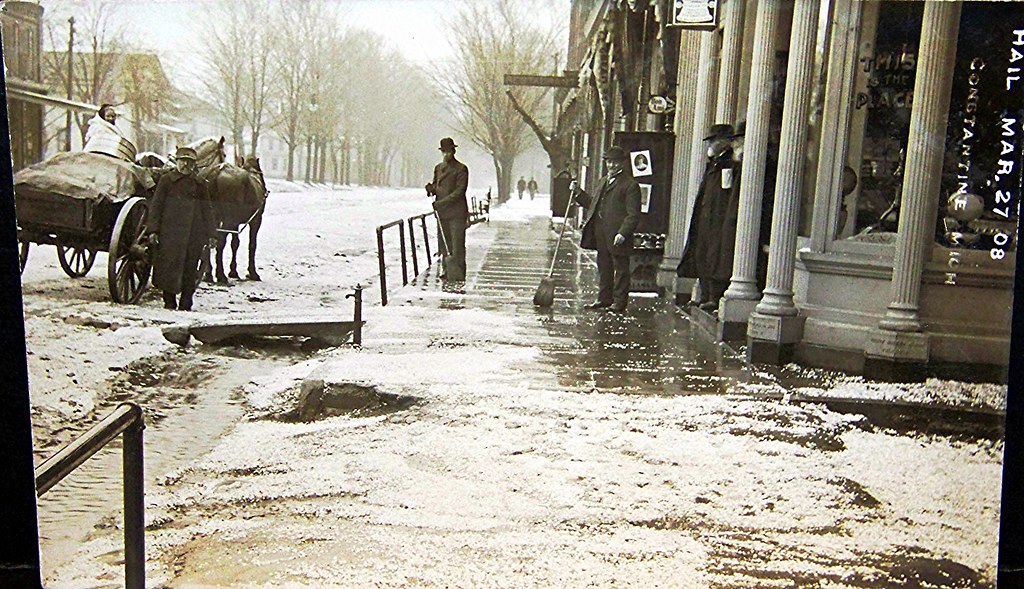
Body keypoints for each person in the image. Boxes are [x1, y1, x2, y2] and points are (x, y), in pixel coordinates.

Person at [569, 145, 642, 314]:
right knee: (604, 266)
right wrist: (578, 193)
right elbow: (592, 204)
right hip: (601, 231)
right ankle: (604, 299)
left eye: (615, 162)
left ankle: (619, 302)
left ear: (622, 163)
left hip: (617, 234)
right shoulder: (603, 181)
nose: (612, 166)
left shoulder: (630, 185)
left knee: (621, 269)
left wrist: (623, 233)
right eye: (609, 162)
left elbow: (633, 214)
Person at [677, 123, 739, 311]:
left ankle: (712, 296)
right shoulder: (713, 165)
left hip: (717, 219)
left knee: (715, 257)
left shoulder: (728, 165)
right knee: (702, 254)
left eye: (714, 140)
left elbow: (726, 194)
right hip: (706, 218)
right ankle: (704, 294)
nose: (710, 145)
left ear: (725, 142)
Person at [149, 146, 216, 311]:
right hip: (170, 233)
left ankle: (186, 302)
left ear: (194, 165)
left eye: (189, 162)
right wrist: (153, 230)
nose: (185, 165)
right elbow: (156, 206)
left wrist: (211, 234)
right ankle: (169, 301)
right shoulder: (167, 180)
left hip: (193, 235)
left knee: (190, 268)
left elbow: (207, 209)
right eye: (182, 161)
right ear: (176, 162)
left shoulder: (200, 184)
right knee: (168, 267)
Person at [425, 137, 469, 283]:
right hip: (442, 213)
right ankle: (446, 269)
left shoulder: (461, 169)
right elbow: (437, 187)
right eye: (443, 151)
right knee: (444, 243)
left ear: (453, 151)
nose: (446, 154)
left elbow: (459, 191)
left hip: (456, 213)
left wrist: (442, 203)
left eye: (448, 151)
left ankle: (457, 272)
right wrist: (431, 189)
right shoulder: (438, 168)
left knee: (457, 244)